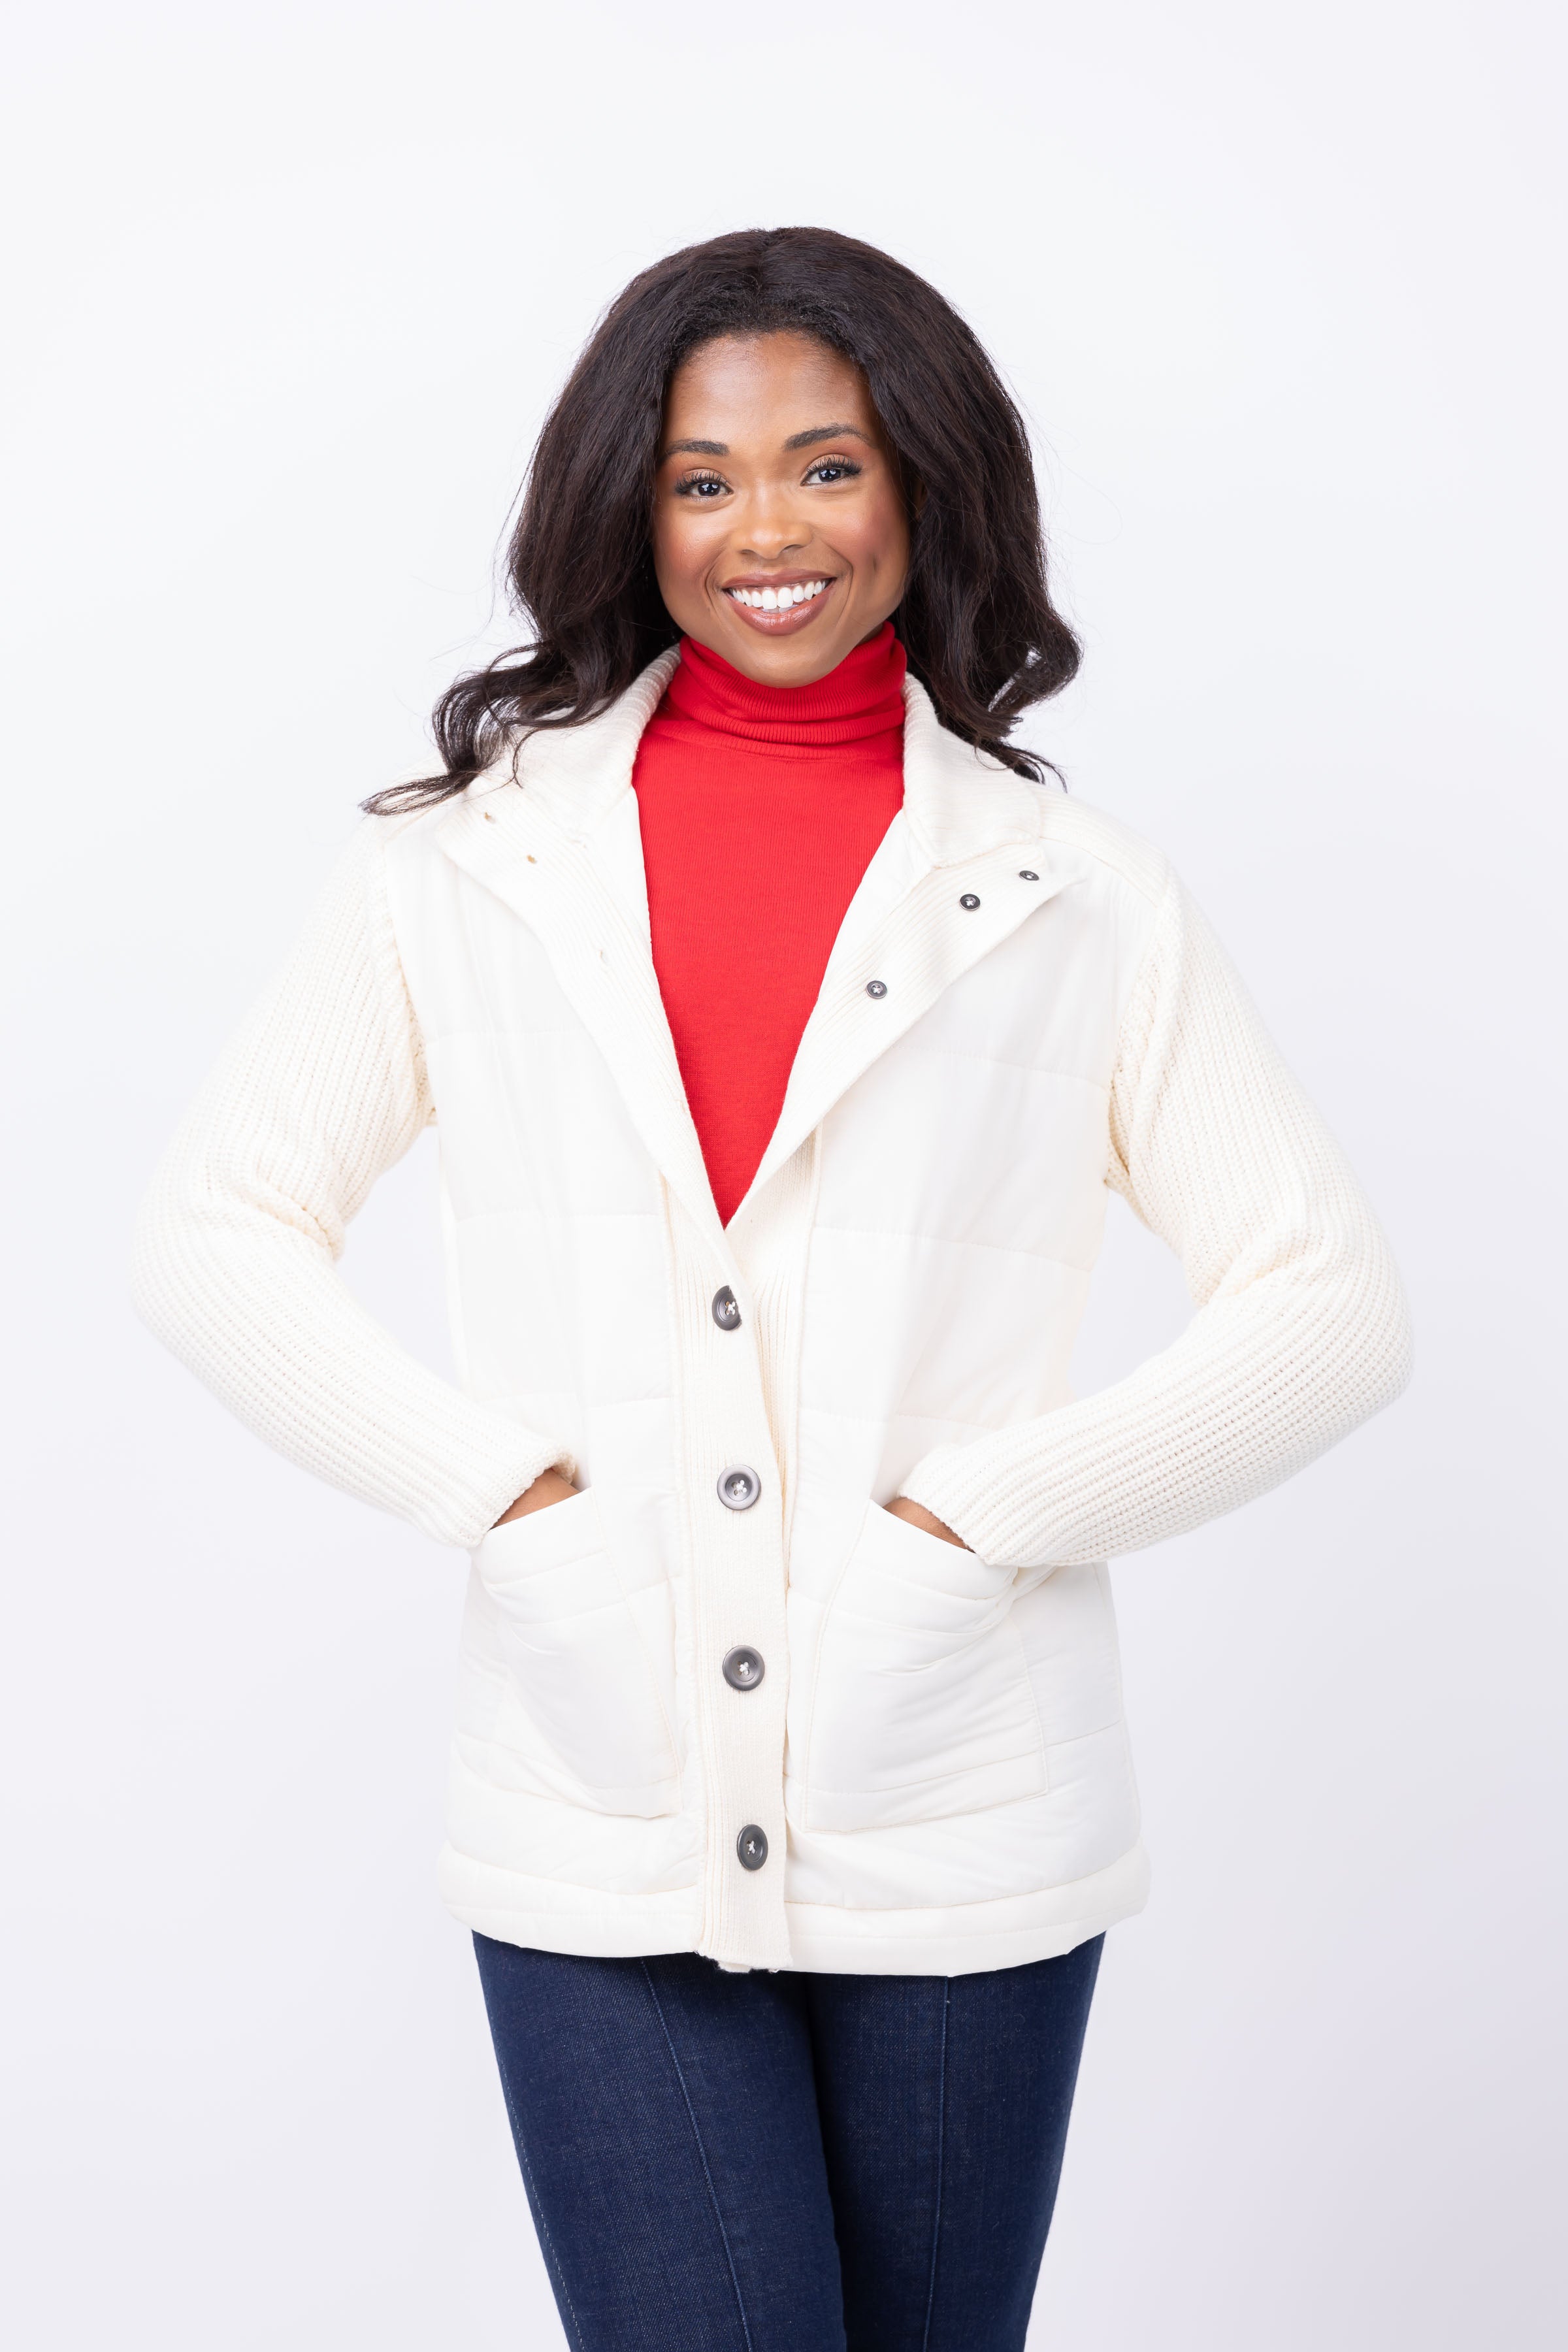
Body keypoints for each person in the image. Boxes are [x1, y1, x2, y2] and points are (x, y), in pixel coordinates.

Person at [133, 226, 1411, 2351]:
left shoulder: (1076, 896)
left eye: (827, 466)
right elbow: (215, 1228)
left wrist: (970, 1528)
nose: (769, 532)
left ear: (921, 478)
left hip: (965, 1800)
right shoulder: (465, 865)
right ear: (632, 514)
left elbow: (1328, 1300)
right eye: (703, 480)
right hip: (597, 1786)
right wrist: (515, 1505)